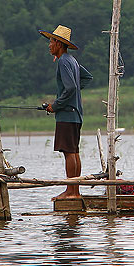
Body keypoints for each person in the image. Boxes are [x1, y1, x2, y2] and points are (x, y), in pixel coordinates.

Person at [39, 24, 93, 200]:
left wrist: (56, 105)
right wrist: (73, 93)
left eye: (52, 41)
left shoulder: (63, 61)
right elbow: (86, 78)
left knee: (69, 152)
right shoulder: (72, 61)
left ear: (59, 44)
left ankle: (71, 192)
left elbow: (70, 87)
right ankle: (75, 192)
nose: (49, 45)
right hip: (75, 113)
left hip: (67, 114)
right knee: (74, 151)